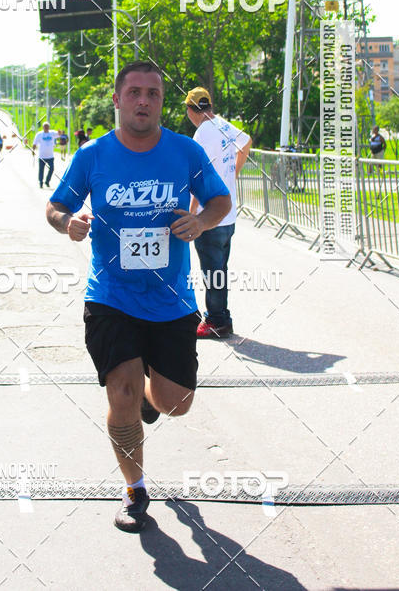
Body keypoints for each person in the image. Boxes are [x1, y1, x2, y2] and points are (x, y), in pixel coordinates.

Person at [46, 61, 230, 533]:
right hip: (110, 296)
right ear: (118, 100)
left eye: (152, 93)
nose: (144, 101)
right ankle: (134, 488)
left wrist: (203, 222)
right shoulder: (93, 155)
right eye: (134, 93)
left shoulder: (186, 152)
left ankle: (154, 396)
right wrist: (66, 222)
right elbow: (55, 205)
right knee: (121, 391)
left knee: (176, 403)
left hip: (171, 301)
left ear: (162, 102)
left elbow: (220, 200)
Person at [185, 87, 252, 339]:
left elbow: (196, 178)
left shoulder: (201, 134)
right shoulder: (223, 124)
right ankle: (221, 317)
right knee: (219, 269)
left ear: (192, 110)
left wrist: (192, 216)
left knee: (212, 272)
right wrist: (234, 170)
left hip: (209, 216)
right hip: (229, 215)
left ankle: (217, 321)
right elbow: (246, 142)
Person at [32, 122, 59, 188]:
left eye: (47, 126)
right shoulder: (39, 134)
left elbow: (59, 134)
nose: (46, 128)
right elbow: (34, 143)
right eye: (45, 126)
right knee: (41, 170)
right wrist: (33, 150)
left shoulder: (52, 133)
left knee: (52, 169)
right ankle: (41, 182)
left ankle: (47, 181)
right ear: (43, 127)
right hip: (42, 156)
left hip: (50, 156)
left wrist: (60, 132)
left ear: (49, 127)